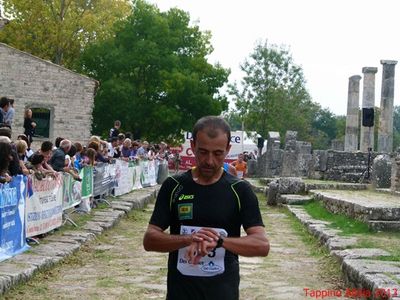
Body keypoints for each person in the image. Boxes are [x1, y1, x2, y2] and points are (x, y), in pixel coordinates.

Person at [143, 116, 269, 300]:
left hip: (223, 292)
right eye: (202, 152)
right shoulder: (174, 186)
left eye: (218, 153)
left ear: (228, 150)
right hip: (181, 293)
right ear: (193, 146)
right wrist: (188, 239)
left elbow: (262, 245)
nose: (209, 161)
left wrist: (220, 242)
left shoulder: (240, 190)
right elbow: (149, 240)